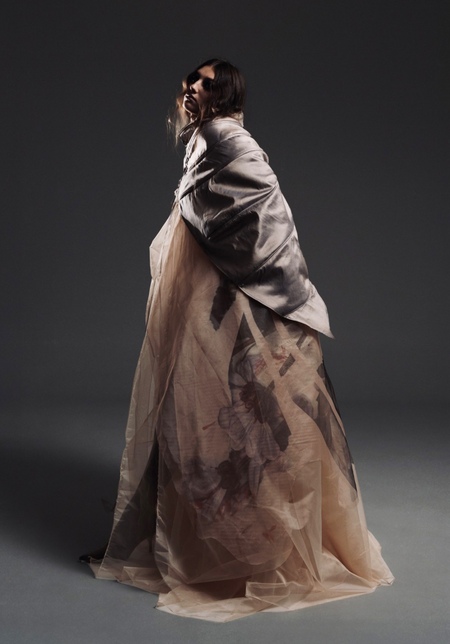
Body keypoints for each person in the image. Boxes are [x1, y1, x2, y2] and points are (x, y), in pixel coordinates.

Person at [85, 58, 394, 622]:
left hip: (235, 287)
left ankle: (248, 548)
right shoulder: (210, 137)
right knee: (219, 410)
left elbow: (261, 217)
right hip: (219, 286)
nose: (193, 87)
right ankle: (223, 539)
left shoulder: (222, 137)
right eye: (192, 79)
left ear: (225, 94)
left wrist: (269, 288)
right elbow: (219, 211)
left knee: (240, 411)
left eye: (207, 83)